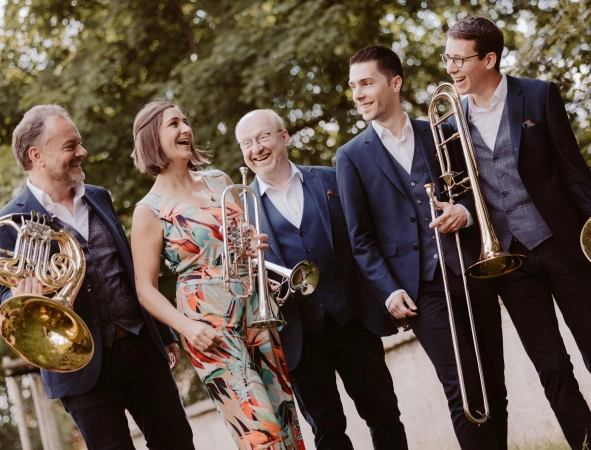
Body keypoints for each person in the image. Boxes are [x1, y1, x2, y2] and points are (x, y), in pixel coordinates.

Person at [442, 16, 591, 450]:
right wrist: (460, 211)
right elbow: (466, 193)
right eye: (447, 59)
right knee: (552, 369)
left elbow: (575, 173)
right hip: (508, 261)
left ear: (489, 59)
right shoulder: (450, 124)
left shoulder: (538, 95)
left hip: (562, 245)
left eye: (459, 59)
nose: (451, 68)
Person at [0, 105, 194, 449]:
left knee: (178, 442)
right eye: (70, 146)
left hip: (141, 344)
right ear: (37, 155)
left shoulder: (99, 196)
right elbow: (6, 299)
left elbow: (128, 268)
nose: (82, 152)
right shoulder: (10, 222)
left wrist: (162, 332)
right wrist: (22, 298)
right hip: (78, 367)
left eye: (79, 143)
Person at [335, 45, 504, 450]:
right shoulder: (351, 157)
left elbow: (475, 191)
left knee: (492, 383)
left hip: (471, 268)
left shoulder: (440, 131)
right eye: (353, 86)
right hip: (420, 287)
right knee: (462, 387)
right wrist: (388, 290)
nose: (358, 94)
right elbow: (361, 239)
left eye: (366, 83)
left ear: (394, 83)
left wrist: (464, 212)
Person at [129, 100, 304, 450]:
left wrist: (252, 245)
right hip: (208, 326)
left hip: (254, 306)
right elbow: (144, 288)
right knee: (262, 433)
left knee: (285, 420)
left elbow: (239, 242)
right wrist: (187, 328)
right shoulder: (148, 210)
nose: (186, 129)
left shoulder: (219, 181)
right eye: (174, 124)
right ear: (151, 138)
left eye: (185, 121)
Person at [235, 109, 407, 449]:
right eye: (247, 143)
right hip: (298, 336)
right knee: (327, 432)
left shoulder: (331, 179)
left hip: (355, 320)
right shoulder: (239, 211)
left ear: (284, 136)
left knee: (384, 414)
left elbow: (367, 238)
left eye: (263, 137)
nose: (257, 149)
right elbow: (239, 281)